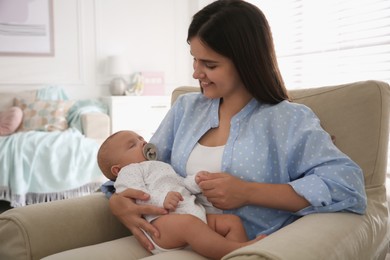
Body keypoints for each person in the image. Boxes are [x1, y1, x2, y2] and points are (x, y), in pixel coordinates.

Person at [105, 0, 367, 257]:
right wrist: (118, 203)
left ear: (246, 62)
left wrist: (247, 192)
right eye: (195, 60)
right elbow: (140, 166)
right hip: (176, 240)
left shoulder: (288, 119)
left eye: (210, 64)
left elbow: (346, 186)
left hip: (250, 243)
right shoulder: (186, 109)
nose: (196, 73)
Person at [97, 130, 263, 259]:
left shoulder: (159, 166)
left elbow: (180, 184)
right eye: (132, 145)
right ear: (117, 169)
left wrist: (196, 181)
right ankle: (236, 250)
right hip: (160, 225)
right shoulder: (129, 171)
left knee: (231, 222)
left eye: (141, 138)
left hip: (190, 212)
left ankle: (238, 255)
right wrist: (163, 200)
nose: (143, 143)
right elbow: (136, 197)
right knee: (188, 225)